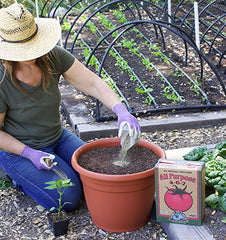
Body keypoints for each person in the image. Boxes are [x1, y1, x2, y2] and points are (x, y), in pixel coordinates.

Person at [0, 3, 140, 212]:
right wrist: (29, 153)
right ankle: (13, 174)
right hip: (20, 149)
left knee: (100, 176)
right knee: (69, 198)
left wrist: (121, 111)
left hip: (57, 136)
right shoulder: (2, 78)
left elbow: (93, 83)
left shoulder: (51, 56)